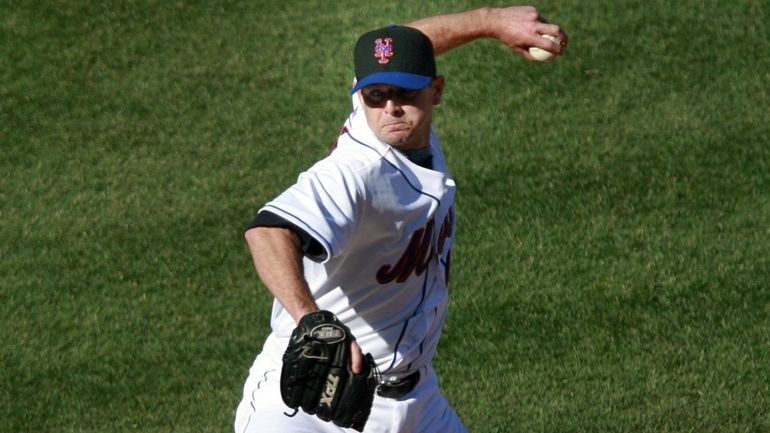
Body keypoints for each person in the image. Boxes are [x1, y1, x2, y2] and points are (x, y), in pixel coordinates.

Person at [235, 6, 567, 433]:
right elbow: (268, 231)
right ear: (360, 94)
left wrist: (492, 23)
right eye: (376, 96)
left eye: (406, 93)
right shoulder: (356, 172)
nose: (390, 107)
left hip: (417, 400)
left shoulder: (394, 126)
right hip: (313, 406)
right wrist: (309, 320)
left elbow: (399, 45)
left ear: (436, 91)